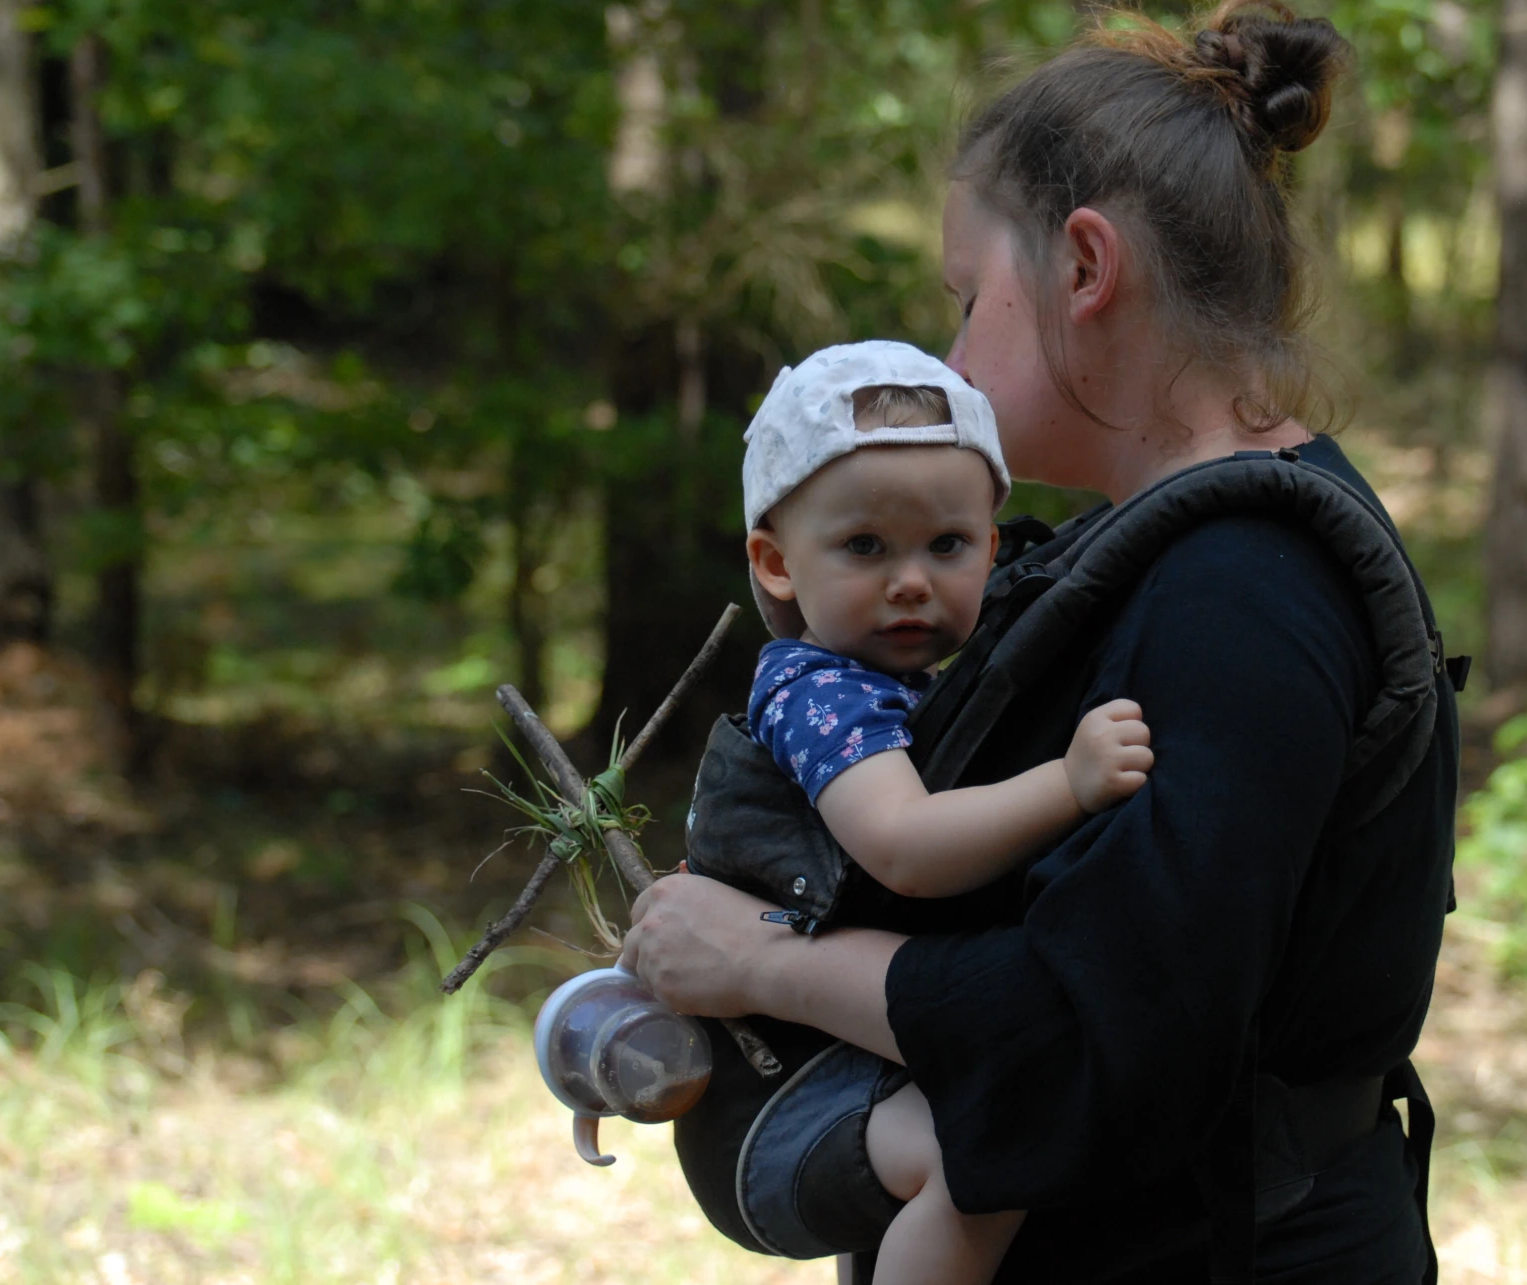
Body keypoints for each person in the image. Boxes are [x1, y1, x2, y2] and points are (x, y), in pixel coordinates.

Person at [625, 4, 1461, 1281]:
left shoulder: (1243, 591)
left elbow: (1112, 1034)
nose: (952, 355)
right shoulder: (1173, 550)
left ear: (1084, 267)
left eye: (970, 301)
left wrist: (764, 965)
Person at [691, 339, 1155, 1285]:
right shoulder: (820, 693)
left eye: (947, 545)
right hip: (772, 1104)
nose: (911, 579)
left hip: (835, 1076)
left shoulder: (907, 686)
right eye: (865, 546)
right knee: (984, 1151)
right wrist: (1067, 783)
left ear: (992, 547)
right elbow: (903, 847)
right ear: (777, 564)